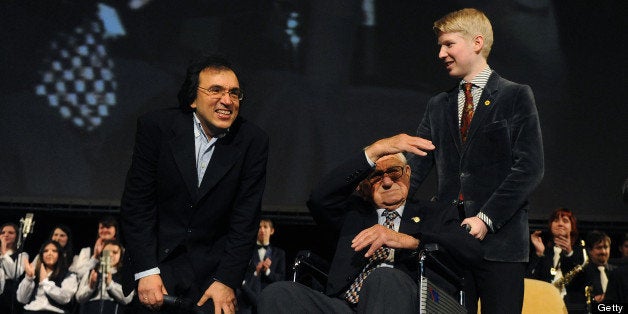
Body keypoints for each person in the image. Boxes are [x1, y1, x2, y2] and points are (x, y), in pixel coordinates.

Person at [407, 8, 544, 313]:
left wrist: (486, 218)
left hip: (500, 246)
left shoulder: (515, 96)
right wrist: (387, 204)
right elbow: (414, 170)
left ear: (477, 42)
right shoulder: (438, 105)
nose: (441, 53)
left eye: (449, 44)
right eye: (440, 46)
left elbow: (530, 168)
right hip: (448, 245)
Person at [258, 135, 482, 313]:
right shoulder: (353, 215)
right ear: (364, 187)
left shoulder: (434, 212)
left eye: (393, 172)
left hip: (409, 303)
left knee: (383, 278)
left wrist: (410, 241)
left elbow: (471, 250)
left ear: (407, 173)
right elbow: (319, 198)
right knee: (277, 294)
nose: (386, 182)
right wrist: (374, 151)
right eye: (376, 176)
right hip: (345, 305)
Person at [119, 54, 268, 314]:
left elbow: (245, 220)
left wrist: (225, 280)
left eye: (234, 93)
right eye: (216, 90)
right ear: (192, 98)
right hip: (157, 263)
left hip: (213, 274)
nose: (227, 100)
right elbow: (137, 205)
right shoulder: (156, 127)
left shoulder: (253, 141)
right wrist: (146, 269)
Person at [526, 207, 586, 299]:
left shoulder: (580, 251)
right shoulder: (544, 249)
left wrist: (569, 254)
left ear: (572, 227)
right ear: (550, 225)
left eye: (565, 221)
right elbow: (529, 280)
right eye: (556, 220)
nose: (560, 224)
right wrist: (539, 253)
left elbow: (581, 283)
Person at [237, 218, 285, 314]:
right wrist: (256, 272)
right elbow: (240, 276)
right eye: (259, 227)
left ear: (271, 231)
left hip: (269, 302)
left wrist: (267, 271)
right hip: (247, 304)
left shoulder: (279, 253)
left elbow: (281, 280)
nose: (262, 230)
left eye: (265, 227)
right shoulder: (247, 252)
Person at [16, 240, 78, 314]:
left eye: (54, 251)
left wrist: (46, 282)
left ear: (60, 255)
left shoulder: (68, 275)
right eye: (46, 251)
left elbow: (65, 298)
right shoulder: (34, 274)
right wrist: (29, 278)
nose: (49, 253)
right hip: (30, 311)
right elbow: (22, 299)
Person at [76, 239, 134, 313]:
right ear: (102, 253)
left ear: (121, 255)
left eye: (115, 252)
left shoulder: (123, 274)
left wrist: (110, 284)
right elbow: (79, 298)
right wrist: (90, 287)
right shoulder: (92, 271)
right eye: (107, 252)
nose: (110, 255)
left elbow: (128, 299)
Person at [567, 230, 617, 309]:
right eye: (599, 248)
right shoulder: (581, 273)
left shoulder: (616, 272)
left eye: (606, 247)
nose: (603, 251)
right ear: (589, 250)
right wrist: (593, 300)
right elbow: (573, 298)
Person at [0, 222, 29, 313]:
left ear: (17, 236)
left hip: (9, 296)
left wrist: (4, 252)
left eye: (10, 233)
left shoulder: (22, 255)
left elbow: (14, 274)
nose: (6, 235)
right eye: (3, 232)